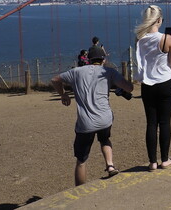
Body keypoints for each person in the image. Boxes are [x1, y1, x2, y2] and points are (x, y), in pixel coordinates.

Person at [51, 57, 133, 186]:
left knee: (81, 160)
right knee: (105, 140)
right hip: (105, 119)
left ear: (89, 59)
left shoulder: (76, 71)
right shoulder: (109, 71)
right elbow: (129, 88)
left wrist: (63, 94)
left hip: (86, 123)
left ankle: (80, 190)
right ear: (103, 60)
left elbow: (55, 79)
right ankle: (110, 166)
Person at [134, 5, 171, 171]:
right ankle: (165, 160)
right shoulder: (166, 38)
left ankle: (152, 162)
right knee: (165, 122)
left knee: (151, 123)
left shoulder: (139, 39)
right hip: (165, 83)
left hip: (148, 85)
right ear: (159, 20)